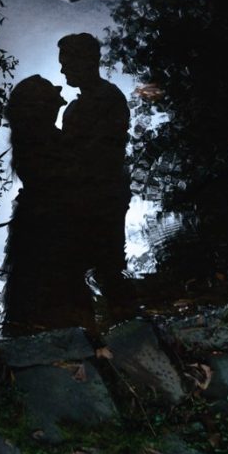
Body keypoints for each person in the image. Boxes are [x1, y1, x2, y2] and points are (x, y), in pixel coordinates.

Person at [0, 75, 90, 332]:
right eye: (51, 93)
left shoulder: (36, 140)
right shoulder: (42, 141)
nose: (59, 90)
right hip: (50, 230)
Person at [56, 33, 132, 312]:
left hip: (101, 198)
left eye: (67, 62)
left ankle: (120, 316)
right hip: (92, 197)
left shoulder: (106, 100)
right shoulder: (81, 105)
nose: (63, 69)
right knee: (97, 265)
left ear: (87, 62)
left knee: (106, 264)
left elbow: (101, 154)